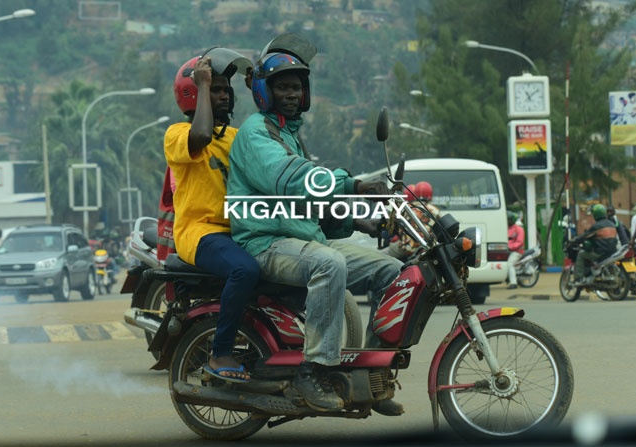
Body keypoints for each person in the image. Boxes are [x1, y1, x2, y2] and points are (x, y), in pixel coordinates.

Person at [227, 35, 403, 414]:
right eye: (283, 87)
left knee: (392, 271)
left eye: (297, 87)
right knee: (329, 264)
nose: (291, 94)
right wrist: (355, 184)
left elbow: (312, 202)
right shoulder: (256, 133)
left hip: (302, 239)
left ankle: (369, 374)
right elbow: (292, 179)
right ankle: (314, 370)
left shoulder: (291, 135)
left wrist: (358, 221)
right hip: (266, 242)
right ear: (263, 91)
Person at [165, 49, 259, 383]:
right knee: (244, 269)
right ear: (193, 94)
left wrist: (259, 89)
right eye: (215, 89)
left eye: (226, 90)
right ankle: (220, 353)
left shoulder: (236, 138)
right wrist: (203, 85)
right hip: (199, 232)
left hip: (241, 231)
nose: (224, 95)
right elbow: (201, 136)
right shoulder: (177, 134)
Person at [387, 182, 439, 261]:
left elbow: (400, 230)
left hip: (408, 248)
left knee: (381, 255)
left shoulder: (407, 208)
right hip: (429, 247)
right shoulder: (435, 210)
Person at [574, 204, 618, 285]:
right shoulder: (612, 224)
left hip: (600, 253)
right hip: (612, 252)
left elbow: (585, 235)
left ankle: (579, 279)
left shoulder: (597, 226)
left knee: (581, 254)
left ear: (596, 215)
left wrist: (575, 240)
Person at [506, 211, 525, 290]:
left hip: (517, 251)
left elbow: (519, 242)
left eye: (509, 219)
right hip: (508, 251)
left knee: (510, 264)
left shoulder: (519, 229)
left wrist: (510, 247)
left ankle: (514, 283)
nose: (507, 221)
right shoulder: (507, 228)